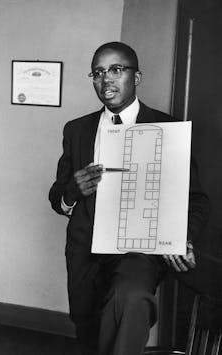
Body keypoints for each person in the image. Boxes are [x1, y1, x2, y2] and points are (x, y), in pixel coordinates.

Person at [49, 42, 210, 355]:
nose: (105, 78)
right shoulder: (77, 130)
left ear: (136, 77)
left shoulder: (170, 128)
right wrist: (72, 191)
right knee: (88, 330)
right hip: (85, 251)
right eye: (98, 72)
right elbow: (57, 198)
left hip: (140, 250)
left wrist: (181, 237)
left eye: (116, 69)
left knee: (130, 299)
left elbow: (197, 200)